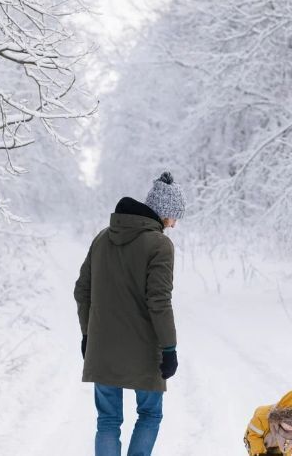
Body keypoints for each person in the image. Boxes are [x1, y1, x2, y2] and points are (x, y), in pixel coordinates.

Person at [74, 171, 186, 456]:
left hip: (103, 348)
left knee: (108, 421)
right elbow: (159, 301)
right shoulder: (160, 245)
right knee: (150, 415)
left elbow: (81, 290)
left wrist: (88, 334)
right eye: (174, 217)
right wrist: (170, 347)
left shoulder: (102, 238)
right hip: (144, 351)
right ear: (163, 214)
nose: (174, 224)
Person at [243, 389, 292, 456]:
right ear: (281, 417)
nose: (291, 427)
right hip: (258, 445)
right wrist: (260, 454)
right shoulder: (262, 416)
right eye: (289, 422)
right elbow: (254, 436)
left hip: (276, 450)